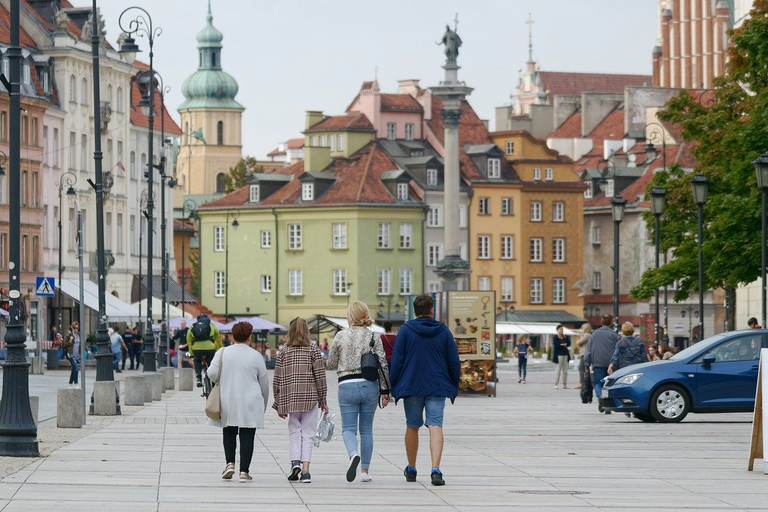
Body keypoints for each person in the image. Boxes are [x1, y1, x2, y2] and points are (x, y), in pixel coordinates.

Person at [390, 293, 460, 487]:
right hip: (437, 385)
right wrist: (454, 383)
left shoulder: (405, 330)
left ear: (414, 311)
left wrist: (391, 385)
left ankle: (411, 468)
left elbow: (397, 360)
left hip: (412, 385)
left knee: (412, 425)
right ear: (432, 311)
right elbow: (453, 361)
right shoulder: (444, 331)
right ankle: (435, 470)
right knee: (435, 425)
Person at [325, 301, 389, 483]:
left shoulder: (340, 336)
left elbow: (330, 364)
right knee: (367, 429)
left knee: (348, 429)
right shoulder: (374, 337)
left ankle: (353, 454)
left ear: (351, 317)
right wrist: (386, 390)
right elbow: (382, 364)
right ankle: (365, 472)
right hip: (369, 385)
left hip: (346, 385)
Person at [207, 321, 270, 483]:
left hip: (228, 397)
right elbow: (264, 384)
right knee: (247, 435)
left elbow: (212, 373)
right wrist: (263, 405)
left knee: (229, 431)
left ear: (232, 336)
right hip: (251, 399)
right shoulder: (256, 356)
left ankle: (229, 464)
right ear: (250, 337)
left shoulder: (222, 352)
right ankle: (244, 472)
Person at [272, 317, 328, 484]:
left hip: (290, 398)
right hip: (310, 397)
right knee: (308, 434)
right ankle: (305, 471)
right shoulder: (313, 349)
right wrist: (323, 399)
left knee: (294, 431)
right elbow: (320, 376)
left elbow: (277, 379)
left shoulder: (283, 351)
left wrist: (278, 403)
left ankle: (294, 462)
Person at [583, 314, 620, 414]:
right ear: (611, 322)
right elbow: (619, 350)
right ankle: (607, 405)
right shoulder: (614, 335)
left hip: (598, 363)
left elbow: (588, 351)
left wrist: (586, 365)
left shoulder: (594, 334)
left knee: (598, 384)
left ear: (601, 321)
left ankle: (600, 397)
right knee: (609, 385)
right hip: (611, 364)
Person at [187, 313, 223, 387]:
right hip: (210, 348)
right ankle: (213, 381)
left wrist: (191, 352)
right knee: (211, 363)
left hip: (196, 348)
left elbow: (189, 340)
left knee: (197, 361)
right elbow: (218, 339)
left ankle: (198, 378)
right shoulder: (212, 326)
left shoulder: (193, 326)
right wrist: (220, 349)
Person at [553, 325, 571, 389]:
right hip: (559, 355)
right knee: (558, 370)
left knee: (565, 371)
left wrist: (564, 344)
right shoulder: (555, 338)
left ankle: (564, 384)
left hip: (565, 355)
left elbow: (568, 343)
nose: (561, 330)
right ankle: (556, 383)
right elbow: (557, 346)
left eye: (562, 329)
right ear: (557, 330)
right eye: (560, 329)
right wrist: (564, 344)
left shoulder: (565, 337)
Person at [64, 321, 81, 387]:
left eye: (77, 328)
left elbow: (83, 344)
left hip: (77, 355)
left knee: (74, 369)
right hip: (71, 355)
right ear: (72, 328)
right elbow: (65, 345)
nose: (76, 329)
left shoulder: (79, 336)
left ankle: (70, 383)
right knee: (76, 369)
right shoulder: (69, 336)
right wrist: (70, 341)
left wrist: (87, 350)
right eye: (75, 328)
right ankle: (76, 383)